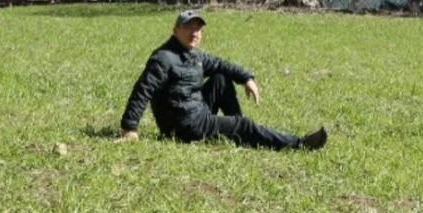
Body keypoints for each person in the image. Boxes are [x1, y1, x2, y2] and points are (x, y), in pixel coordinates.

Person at [119, 9, 327, 150]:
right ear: (175, 31)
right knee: (243, 125)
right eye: (188, 27)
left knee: (221, 78)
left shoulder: (194, 55)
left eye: (198, 28)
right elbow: (142, 90)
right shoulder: (163, 58)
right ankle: (299, 144)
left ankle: (237, 131)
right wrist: (130, 129)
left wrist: (247, 78)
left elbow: (220, 65)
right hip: (184, 127)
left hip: (197, 113)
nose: (194, 32)